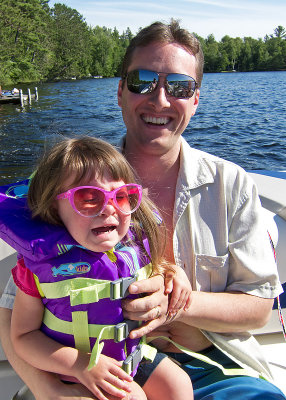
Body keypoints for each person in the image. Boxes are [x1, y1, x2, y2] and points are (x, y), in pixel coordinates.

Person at [0, 19, 285, 400]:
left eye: (179, 86)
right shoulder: (65, 184)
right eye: (143, 81)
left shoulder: (231, 183)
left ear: (196, 100)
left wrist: (176, 305)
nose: (160, 99)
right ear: (120, 92)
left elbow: (257, 307)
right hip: (86, 369)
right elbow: (13, 313)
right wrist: (47, 387)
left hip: (210, 360)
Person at [1, 136, 193, 400]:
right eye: (89, 198)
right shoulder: (39, 269)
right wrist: (80, 364)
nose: (108, 209)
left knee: (178, 384)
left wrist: (174, 275)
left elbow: (158, 269)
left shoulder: (134, 245)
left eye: (121, 197)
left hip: (128, 360)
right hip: (71, 372)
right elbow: (23, 337)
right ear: (54, 208)